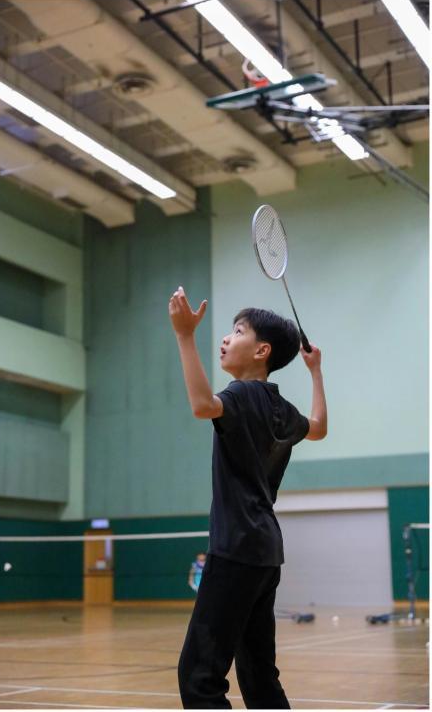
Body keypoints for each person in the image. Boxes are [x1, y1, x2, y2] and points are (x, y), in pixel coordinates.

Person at [168, 286, 327, 710]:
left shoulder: (240, 395)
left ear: (262, 351)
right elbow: (318, 427)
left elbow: (203, 405)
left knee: (199, 675)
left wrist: (185, 336)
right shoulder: (282, 409)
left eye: (237, 331)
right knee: (258, 675)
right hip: (265, 552)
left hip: (236, 546)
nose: (226, 337)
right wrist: (315, 373)